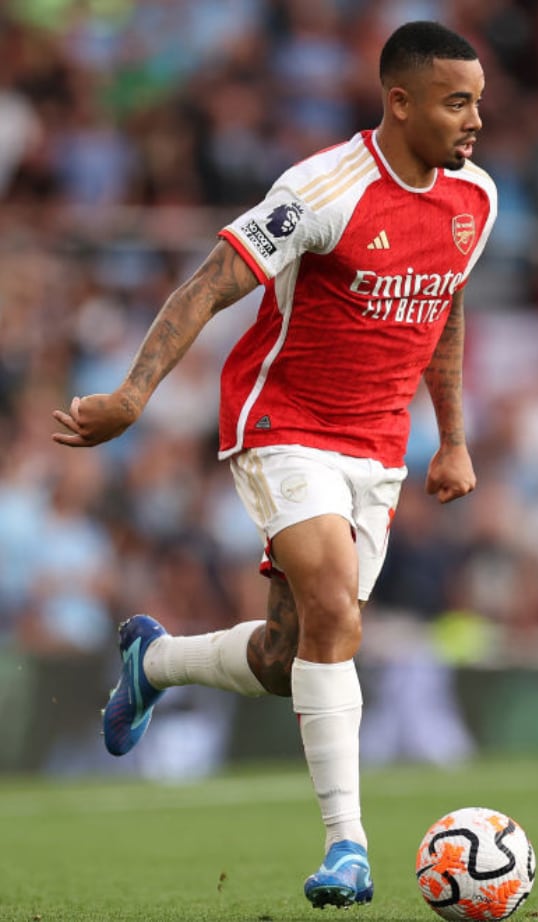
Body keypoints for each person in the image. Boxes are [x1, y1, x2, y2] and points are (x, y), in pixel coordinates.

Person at [51, 21, 495, 909]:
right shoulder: (323, 187)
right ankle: (349, 849)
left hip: (376, 447)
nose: (475, 119)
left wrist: (450, 435)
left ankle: (157, 664)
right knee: (335, 605)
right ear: (399, 102)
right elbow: (212, 279)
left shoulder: (474, 199)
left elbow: (445, 310)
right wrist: (134, 394)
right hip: (281, 423)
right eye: (457, 101)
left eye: (479, 100)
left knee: (292, 651)